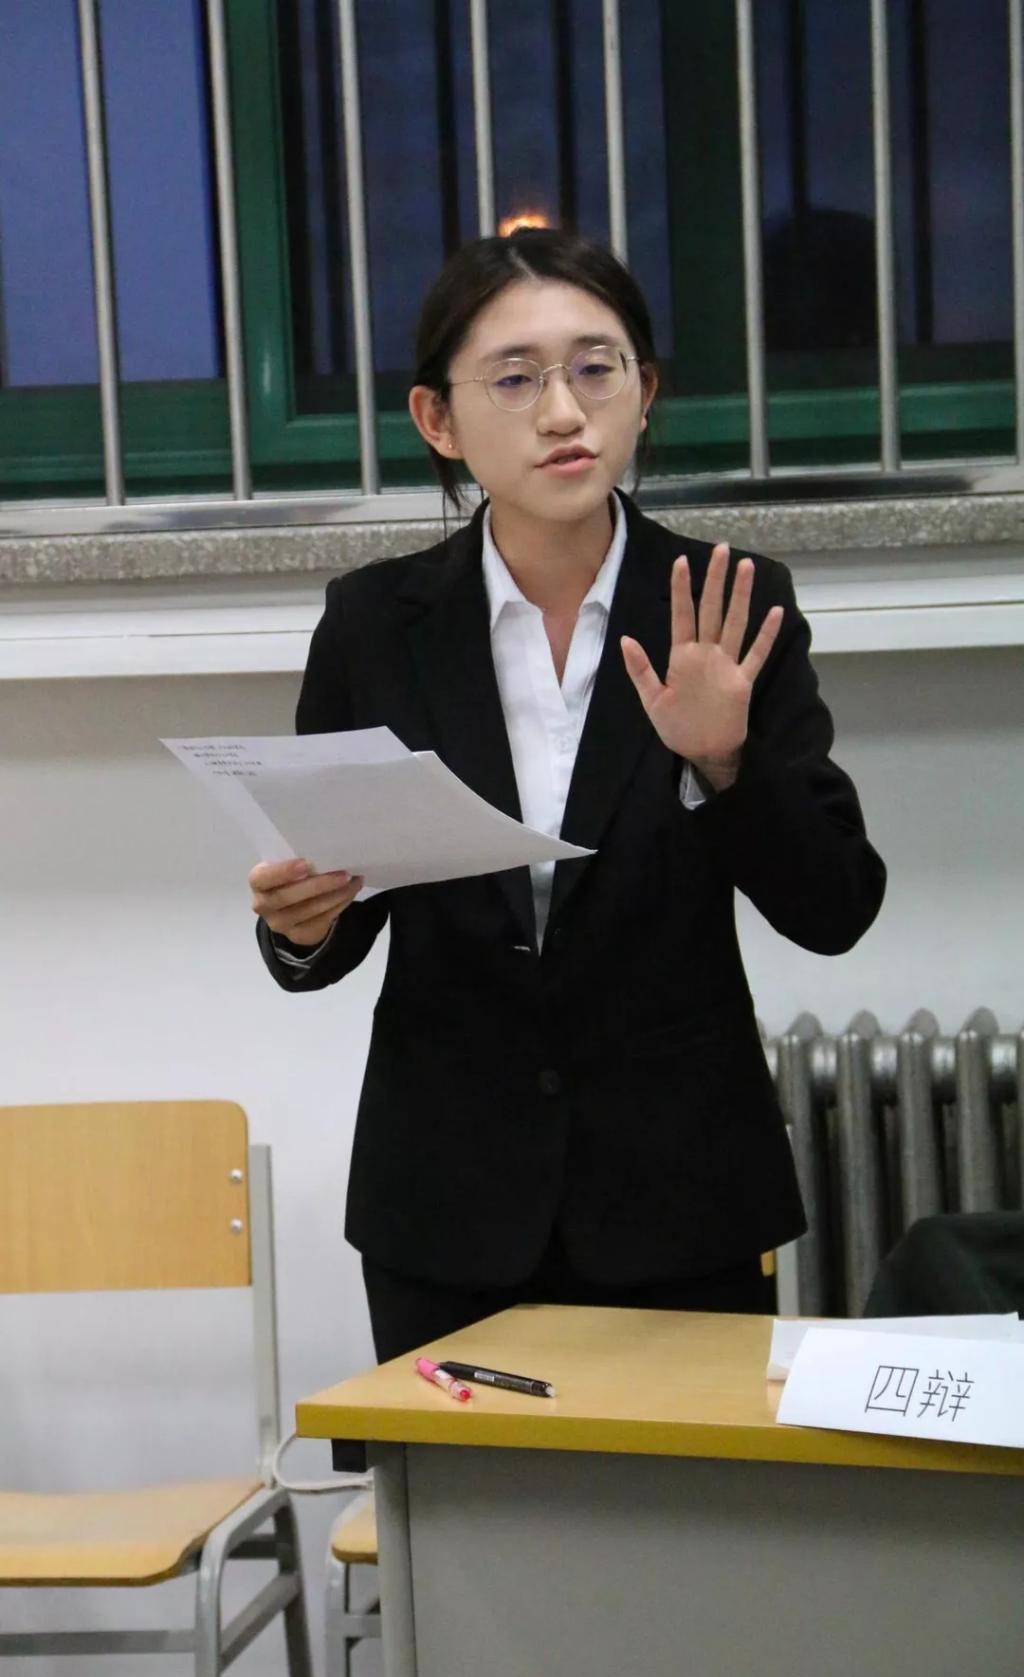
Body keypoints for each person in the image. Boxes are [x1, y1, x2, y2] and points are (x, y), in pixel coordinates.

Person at [250, 227, 886, 1363]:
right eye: (514, 378)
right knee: (452, 1491)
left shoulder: (730, 604)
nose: (562, 412)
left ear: (645, 392)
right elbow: (338, 918)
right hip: (445, 1201)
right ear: (437, 419)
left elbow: (836, 906)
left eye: (597, 368)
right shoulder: (375, 625)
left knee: (685, 1487)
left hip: (682, 1195)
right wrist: (299, 923)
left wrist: (725, 765)